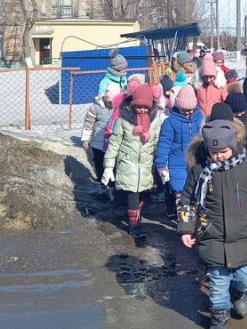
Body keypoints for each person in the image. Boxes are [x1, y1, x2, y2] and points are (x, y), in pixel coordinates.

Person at [177, 108, 247, 329]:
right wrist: (186, 228)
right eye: (213, 153)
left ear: (233, 146)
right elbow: (187, 199)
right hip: (212, 235)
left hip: (244, 234)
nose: (218, 157)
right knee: (218, 286)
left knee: (246, 276)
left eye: (224, 152)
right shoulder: (200, 171)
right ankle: (219, 322)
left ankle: (238, 293)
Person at [102, 84, 165, 240]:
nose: (142, 110)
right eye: (139, 106)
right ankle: (134, 226)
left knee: (141, 194)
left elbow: (157, 142)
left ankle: (135, 217)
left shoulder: (155, 121)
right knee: (133, 195)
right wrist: (108, 167)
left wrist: (162, 164)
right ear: (133, 103)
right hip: (128, 164)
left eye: (146, 107)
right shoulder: (123, 120)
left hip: (145, 165)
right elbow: (114, 143)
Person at [156, 85, 203, 219]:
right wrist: (161, 165)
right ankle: (184, 222)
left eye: (191, 110)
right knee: (180, 192)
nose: (188, 113)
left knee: (196, 191)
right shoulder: (170, 123)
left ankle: (194, 218)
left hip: (195, 162)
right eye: (185, 110)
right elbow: (164, 144)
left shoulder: (200, 119)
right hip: (177, 163)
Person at [81, 82, 122, 180]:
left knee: (113, 167)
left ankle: (112, 189)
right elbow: (88, 123)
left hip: (113, 143)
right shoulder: (96, 106)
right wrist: (86, 139)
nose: (111, 104)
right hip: (98, 144)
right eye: (109, 102)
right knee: (99, 166)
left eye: (113, 102)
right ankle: (101, 186)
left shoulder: (121, 107)